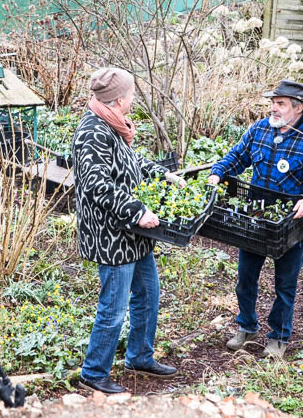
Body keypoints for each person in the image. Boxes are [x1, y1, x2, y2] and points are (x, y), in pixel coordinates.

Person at [72, 67, 186, 394]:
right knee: (114, 307)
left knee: (148, 295)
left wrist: (163, 175)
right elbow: (96, 185)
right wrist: (137, 211)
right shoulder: (93, 131)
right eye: (131, 93)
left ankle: (139, 356)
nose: (133, 98)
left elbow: (130, 162)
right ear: (119, 99)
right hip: (112, 236)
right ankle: (93, 372)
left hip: (133, 236)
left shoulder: (113, 124)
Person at [207, 80, 303, 358]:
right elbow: (238, 157)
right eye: (273, 103)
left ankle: (278, 337)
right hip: (256, 218)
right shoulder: (259, 130)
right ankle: (246, 326)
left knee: (285, 286)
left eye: (280, 104)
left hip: (292, 224)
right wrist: (218, 172)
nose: (273, 108)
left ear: (298, 107)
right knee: (245, 279)